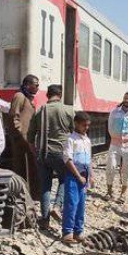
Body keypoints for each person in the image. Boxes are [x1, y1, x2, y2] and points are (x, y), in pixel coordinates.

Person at [30, 84, 77, 232]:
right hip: (61, 153)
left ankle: (44, 220)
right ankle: (57, 206)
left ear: (47, 95)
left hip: (43, 153)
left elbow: (30, 136)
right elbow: (75, 133)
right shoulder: (68, 110)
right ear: (60, 95)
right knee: (66, 178)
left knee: (45, 186)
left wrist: (36, 152)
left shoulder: (40, 111)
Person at [62, 112, 93, 245]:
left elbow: (89, 159)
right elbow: (68, 160)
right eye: (84, 125)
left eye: (88, 125)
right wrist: (78, 176)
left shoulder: (87, 140)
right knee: (71, 203)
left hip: (84, 177)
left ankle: (78, 231)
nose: (86, 128)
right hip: (73, 176)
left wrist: (91, 175)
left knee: (81, 205)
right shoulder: (71, 139)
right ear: (76, 124)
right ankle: (67, 232)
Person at [8, 75, 40, 191]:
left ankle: (28, 193)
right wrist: (20, 135)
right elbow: (13, 117)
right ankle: (20, 192)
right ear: (27, 85)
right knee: (21, 167)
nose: (37, 88)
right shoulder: (19, 96)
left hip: (27, 140)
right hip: (21, 139)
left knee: (29, 168)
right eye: (36, 85)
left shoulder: (28, 98)